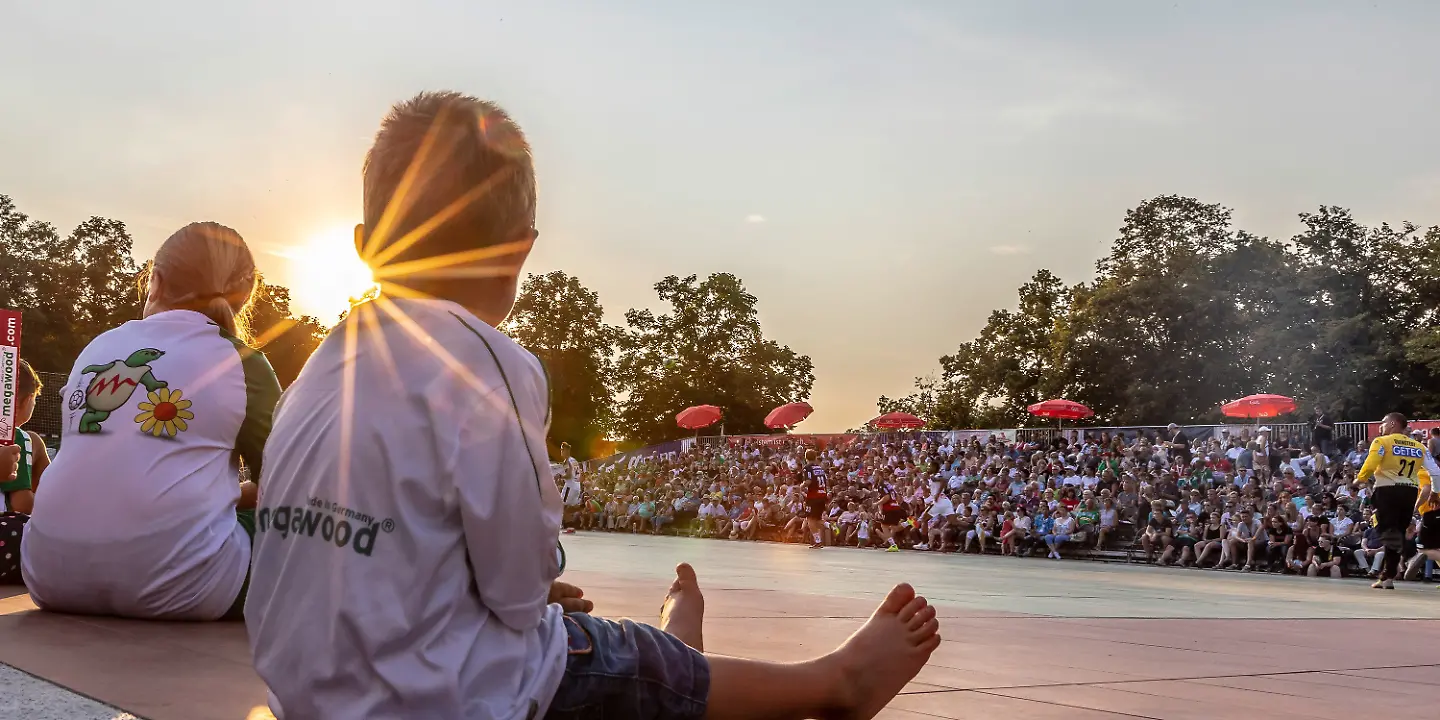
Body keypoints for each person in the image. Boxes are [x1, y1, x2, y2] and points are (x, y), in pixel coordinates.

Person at [244, 92, 941, 720]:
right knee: (618, 655)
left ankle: (683, 648)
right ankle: (832, 683)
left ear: (365, 250)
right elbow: (518, 594)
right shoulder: (488, 362)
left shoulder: (319, 369)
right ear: (520, 253)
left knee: (610, 658)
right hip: (441, 698)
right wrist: (536, 587)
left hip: (308, 694)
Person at [22, 222, 278, 620]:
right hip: (187, 590)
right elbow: (285, 482)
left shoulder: (100, 346)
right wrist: (231, 493)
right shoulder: (243, 362)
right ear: (245, 295)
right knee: (307, 525)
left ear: (154, 281)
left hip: (48, 576)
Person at [1355, 412, 1438, 589]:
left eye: (1383, 422)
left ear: (1393, 424)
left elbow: (1371, 463)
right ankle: (1387, 577)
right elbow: (1436, 472)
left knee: (1381, 525)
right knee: (1397, 530)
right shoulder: (1419, 447)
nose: (1381, 426)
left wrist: (1360, 479)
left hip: (1387, 490)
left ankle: (1405, 551)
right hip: (1409, 492)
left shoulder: (1381, 442)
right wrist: (1436, 492)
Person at [801, 449, 830, 549]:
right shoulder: (820, 468)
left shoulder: (807, 468)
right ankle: (828, 525)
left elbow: (808, 481)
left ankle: (818, 541)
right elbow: (826, 481)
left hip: (813, 497)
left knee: (810, 519)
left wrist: (801, 486)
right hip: (822, 495)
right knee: (817, 519)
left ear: (806, 457)